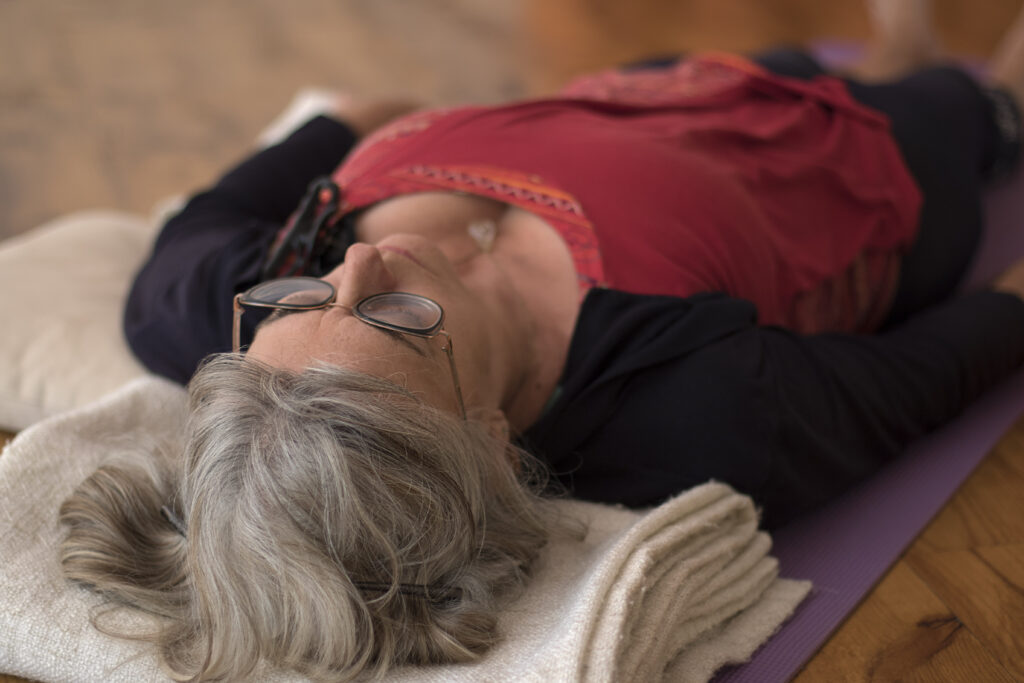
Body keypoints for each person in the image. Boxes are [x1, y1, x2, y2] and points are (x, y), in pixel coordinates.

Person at [59, 1, 1024, 680]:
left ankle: (900, 43)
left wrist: (409, 126)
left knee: (796, 54)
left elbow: (336, 124)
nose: (365, 262)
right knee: (972, 102)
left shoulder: (198, 302)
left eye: (306, 291)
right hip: (859, 163)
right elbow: (942, 361)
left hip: (638, 94)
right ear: (484, 434)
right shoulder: (695, 406)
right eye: (392, 320)